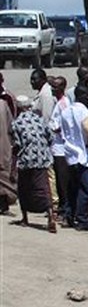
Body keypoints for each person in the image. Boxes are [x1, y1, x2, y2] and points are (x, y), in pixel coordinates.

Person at [10, 96, 56, 232]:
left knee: (24, 188)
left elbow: (17, 144)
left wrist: (13, 164)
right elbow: (50, 137)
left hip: (26, 159)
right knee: (43, 187)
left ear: (18, 108)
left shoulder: (17, 123)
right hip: (42, 158)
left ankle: (25, 217)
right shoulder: (40, 120)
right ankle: (50, 215)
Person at [60, 85, 88, 231]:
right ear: (84, 96)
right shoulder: (85, 113)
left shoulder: (65, 112)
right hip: (83, 155)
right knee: (87, 189)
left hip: (69, 155)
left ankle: (69, 216)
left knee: (72, 188)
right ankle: (82, 219)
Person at [47, 77, 72, 226]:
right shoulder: (57, 102)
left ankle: (65, 209)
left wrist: (54, 128)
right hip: (56, 147)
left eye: (55, 87)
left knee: (63, 182)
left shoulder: (64, 104)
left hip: (62, 149)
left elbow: (65, 124)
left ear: (62, 87)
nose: (52, 89)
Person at [0, 73, 15, 214]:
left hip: (4, 146)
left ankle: (4, 206)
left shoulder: (6, 101)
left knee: (4, 175)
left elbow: (12, 125)